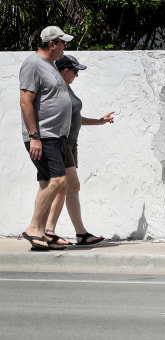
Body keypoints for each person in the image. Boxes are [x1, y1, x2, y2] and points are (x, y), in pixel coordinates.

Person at [43, 55, 114, 246]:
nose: (76, 76)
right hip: (61, 142)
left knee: (69, 187)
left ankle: (77, 233)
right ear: (65, 71)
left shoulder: (66, 88)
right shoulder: (57, 89)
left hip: (71, 143)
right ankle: (50, 231)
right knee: (66, 186)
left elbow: (75, 117)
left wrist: (99, 121)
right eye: (75, 72)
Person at [19, 26, 73, 250]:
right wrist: (34, 136)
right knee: (58, 181)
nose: (65, 48)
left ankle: (42, 232)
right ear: (52, 44)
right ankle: (33, 228)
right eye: (63, 43)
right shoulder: (33, 64)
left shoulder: (49, 65)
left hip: (55, 135)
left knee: (48, 184)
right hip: (43, 135)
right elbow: (25, 101)